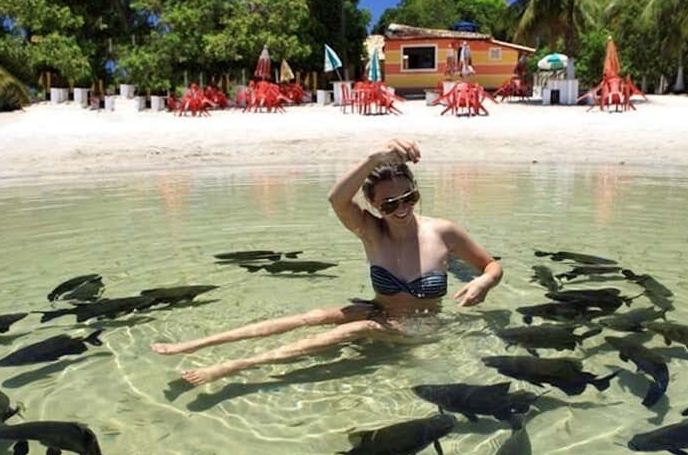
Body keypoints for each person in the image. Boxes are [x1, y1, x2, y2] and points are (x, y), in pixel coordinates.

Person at [151, 139, 503, 386]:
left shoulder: (444, 232)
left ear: (416, 191)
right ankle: (196, 345)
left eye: (408, 197)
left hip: (420, 328)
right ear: (373, 204)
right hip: (378, 311)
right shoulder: (371, 231)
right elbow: (336, 199)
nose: (401, 207)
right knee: (313, 316)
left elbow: (491, 265)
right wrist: (373, 158)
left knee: (354, 329)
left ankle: (234, 367)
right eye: (389, 202)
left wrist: (482, 282)